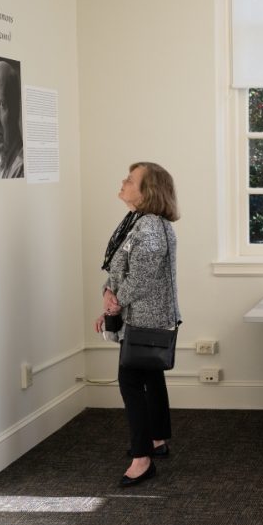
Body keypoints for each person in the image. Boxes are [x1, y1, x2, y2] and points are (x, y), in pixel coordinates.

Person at [94, 161, 181, 486]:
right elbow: (118, 269)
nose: (123, 182)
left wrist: (112, 306)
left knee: (130, 381)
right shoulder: (137, 222)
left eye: (130, 180)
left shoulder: (150, 229)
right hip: (142, 315)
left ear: (147, 192)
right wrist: (107, 291)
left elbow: (140, 280)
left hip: (147, 318)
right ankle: (156, 439)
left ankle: (142, 457)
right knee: (151, 377)